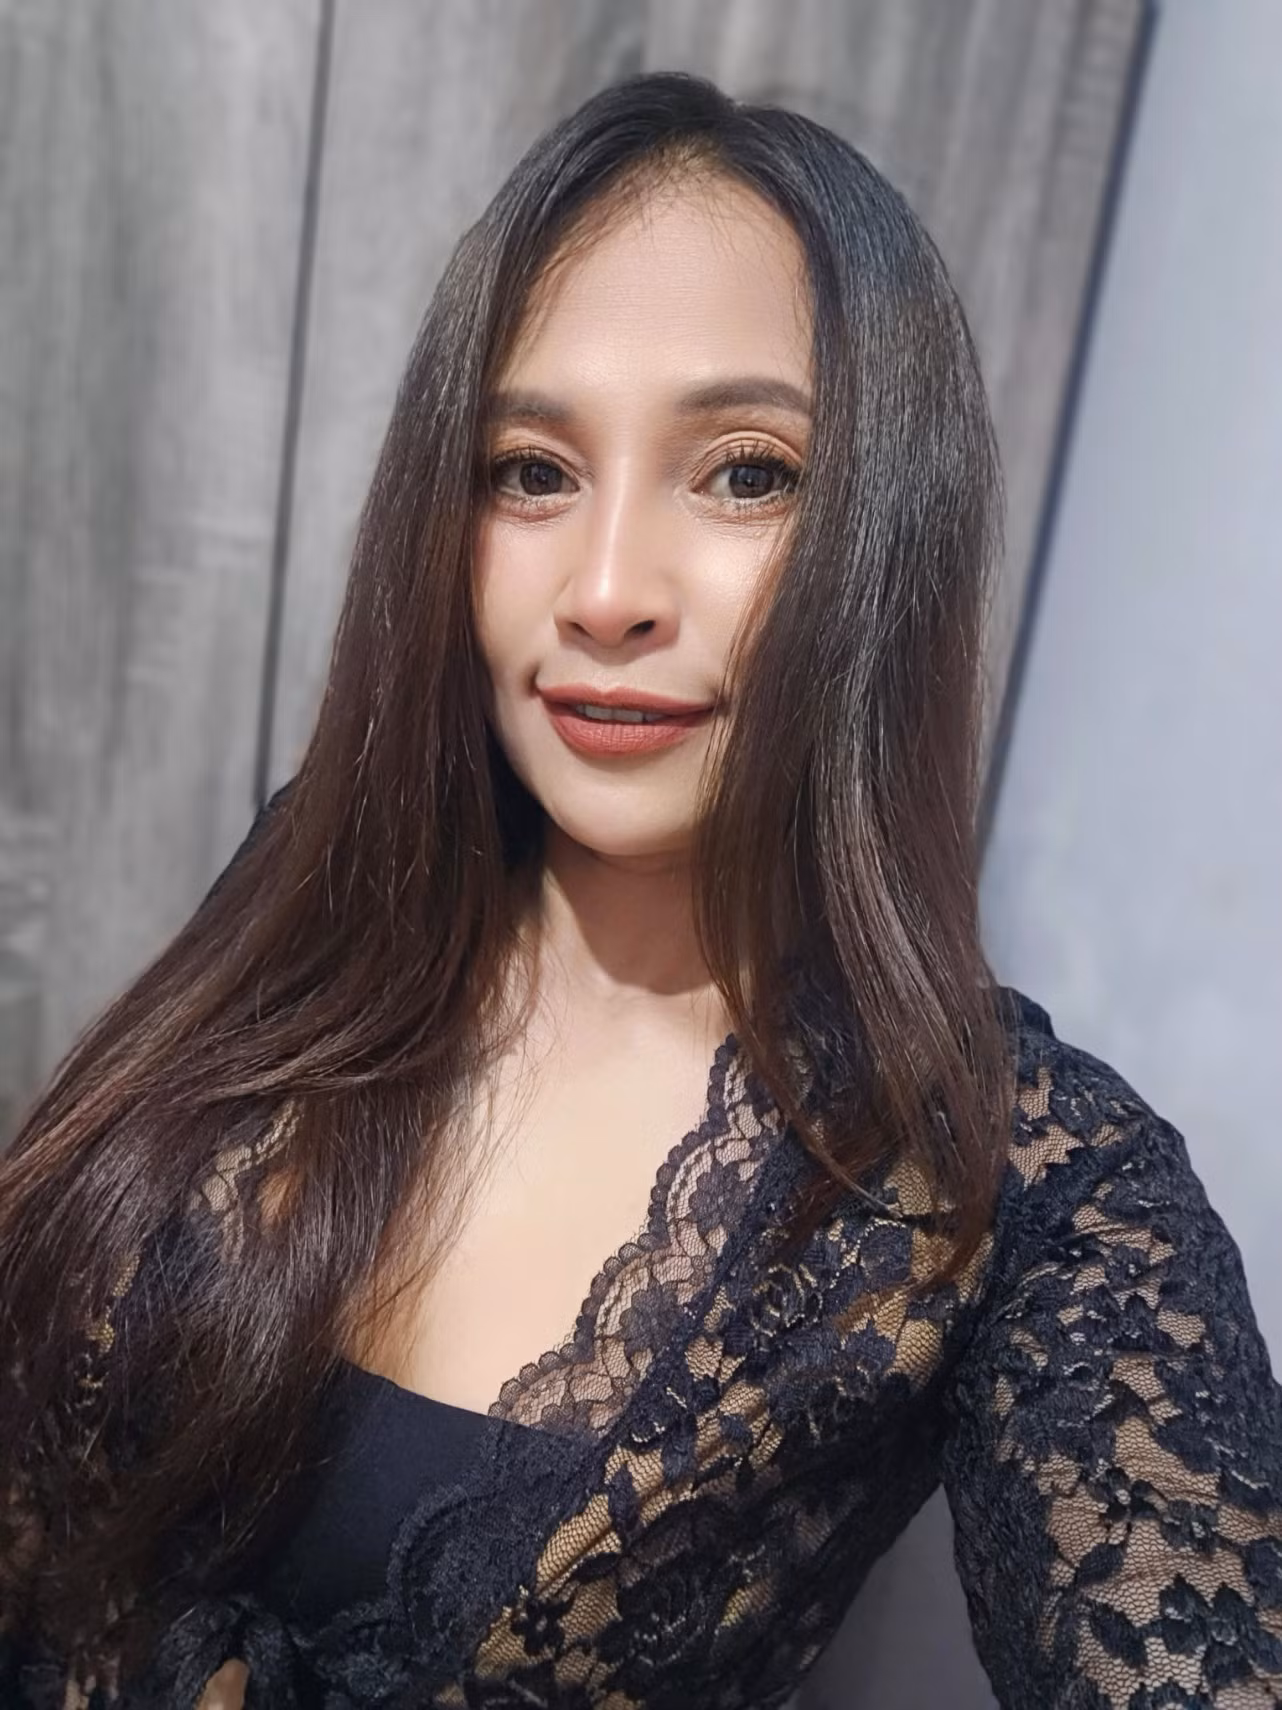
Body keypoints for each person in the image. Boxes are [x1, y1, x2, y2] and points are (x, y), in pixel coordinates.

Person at [2, 68, 1279, 1710]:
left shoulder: (1026, 1186)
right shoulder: (333, 872)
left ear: (886, 527)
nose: (604, 591)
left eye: (745, 471)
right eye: (530, 469)